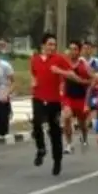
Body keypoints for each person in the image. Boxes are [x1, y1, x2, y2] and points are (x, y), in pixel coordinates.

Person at [30, 33, 73, 175]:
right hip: (38, 97)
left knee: (54, 130)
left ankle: (57, 160)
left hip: (54, 100)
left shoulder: (59, 59)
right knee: (36, 123)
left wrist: (59, 71)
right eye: (49, 44)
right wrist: (34, 81)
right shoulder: (35, 60)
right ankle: (41, 149)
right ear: (43, 45)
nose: (52, 47)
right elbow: (34, 74)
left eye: (54, 45)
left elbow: (71, 73)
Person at [60, 41, 93, 153]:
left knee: (82, 123)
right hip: (68, 97)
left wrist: (87, 102)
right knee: (66, 117)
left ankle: (84, 137)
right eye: (70, 49)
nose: (72, 51)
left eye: (75, 49)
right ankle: (69, 144)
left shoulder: (84, 65)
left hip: (81, 98)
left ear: (79, 51)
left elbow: (92, 81)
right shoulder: (65, 63)